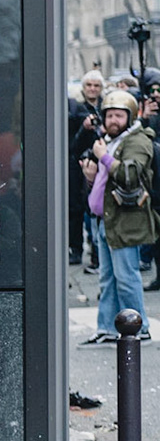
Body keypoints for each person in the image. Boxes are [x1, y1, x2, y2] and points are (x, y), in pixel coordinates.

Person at [79, 89, 155, 346]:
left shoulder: (138, 141)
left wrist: (103, 157)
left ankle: (139, 326)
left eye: (118, 116)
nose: (113, 120)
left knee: (126, 276)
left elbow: (129, 176)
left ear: (130, 116)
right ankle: (107, 327)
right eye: (109, 115)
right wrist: (91, 175)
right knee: (107, 278)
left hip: (126, 220)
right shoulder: (110, 141)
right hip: (106, 219)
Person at [70, 70, 105, 269]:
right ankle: (77, 249)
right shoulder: (75, 108)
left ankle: (96, 253)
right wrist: (84, 127)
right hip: (80, 165)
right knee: (78, 207)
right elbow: (73, 144)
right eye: (89, 85)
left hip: (102, 163)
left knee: (97, 209)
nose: (92, 89)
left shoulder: (106, 107)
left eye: (96, 86)